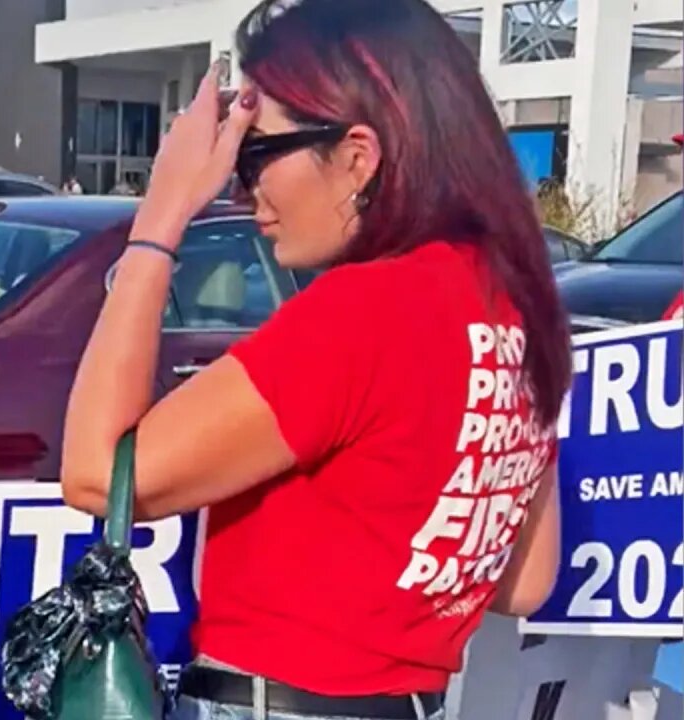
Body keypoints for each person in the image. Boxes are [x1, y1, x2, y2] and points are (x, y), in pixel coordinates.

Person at [58, 0, 571, 718]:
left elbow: (92, 472)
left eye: (256, 152)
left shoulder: (365, 313)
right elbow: (524, 582)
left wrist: (159, 221)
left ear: (358, 156)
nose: (242, 187)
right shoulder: (513, 306)